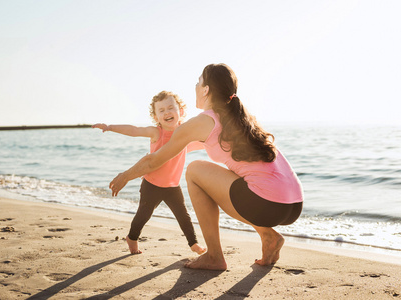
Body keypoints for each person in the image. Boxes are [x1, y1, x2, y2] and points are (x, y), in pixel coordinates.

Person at [109, 64, 303, 270]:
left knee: (194, 171)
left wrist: (125, 175)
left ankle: (214, 256)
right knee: (236, 174)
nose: (195, 86)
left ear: (206, 90)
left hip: (267, 205)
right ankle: (268, 236)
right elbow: (183, 148)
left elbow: (154, 160)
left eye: (198, 82)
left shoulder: (203, 121)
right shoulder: (241, 117)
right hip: (294, 205)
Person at [93, 91, 206, 255]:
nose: (167, 112)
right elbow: (134, 130)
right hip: (151, 185)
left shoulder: (184, 134)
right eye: (161, 110)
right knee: (143, 215)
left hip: (173, 187)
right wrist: (110, 127)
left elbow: (202, 142)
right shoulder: (156, 133)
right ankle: (132, 238)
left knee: (183, 216)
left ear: (180, 111)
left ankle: (193, 243)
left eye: (170, 108)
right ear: (156, 117)